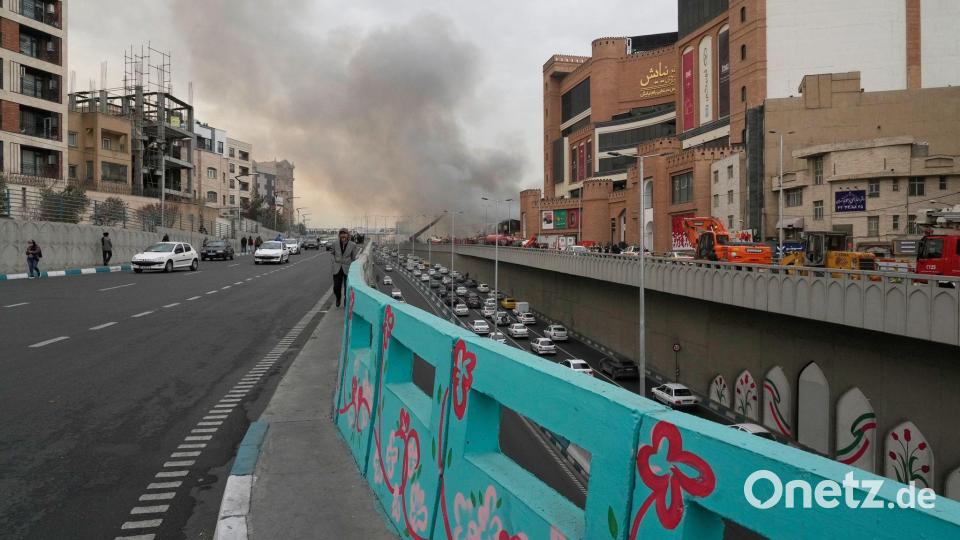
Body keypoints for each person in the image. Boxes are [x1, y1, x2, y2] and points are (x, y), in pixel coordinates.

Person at [331, 228, 360, 308]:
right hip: (337, 268)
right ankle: (338, 298)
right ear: (339, 235)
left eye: (345, 233)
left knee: (347, 287)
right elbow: (332, 253)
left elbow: (353, 257)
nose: (343, 235)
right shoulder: (335, 244)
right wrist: (333, 262)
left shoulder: (352, 245)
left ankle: (345, 300)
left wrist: (354, 267)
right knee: (336, 287)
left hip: (347, 268)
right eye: (341, 233)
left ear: (348, 235)